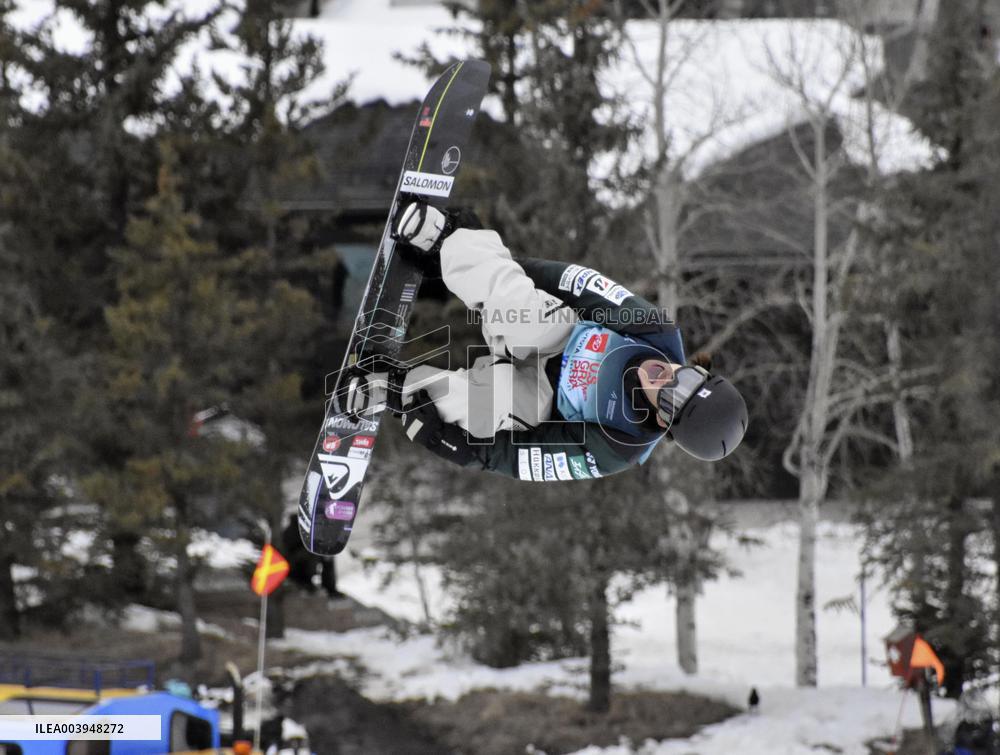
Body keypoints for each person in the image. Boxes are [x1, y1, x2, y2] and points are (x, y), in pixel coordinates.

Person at [339, 201, 748, 481]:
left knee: (485, 410)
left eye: (673, 398)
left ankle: (389, 388)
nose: (667, 377)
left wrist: (466, 451)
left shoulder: (620, 446)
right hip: (554, 333)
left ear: (666, 426)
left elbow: (531, 460)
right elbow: (574, 282)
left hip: (536, 397)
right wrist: (486, 262)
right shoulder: (655, 331)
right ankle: (447, 237)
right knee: (529, 318)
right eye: (691, 375)